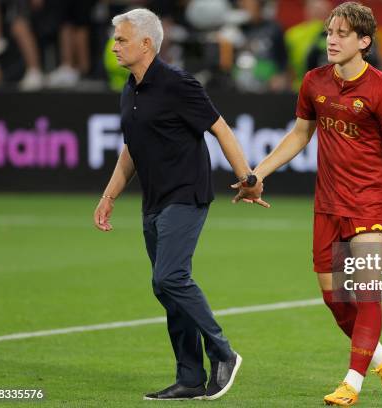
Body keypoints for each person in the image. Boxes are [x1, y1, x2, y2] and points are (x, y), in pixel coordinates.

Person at [233, 2, 382, 406]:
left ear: (364, 42)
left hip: (369, 207)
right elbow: (299, 135)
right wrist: (258, 174)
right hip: (327, 205)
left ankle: (352, 383)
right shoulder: (314, 82)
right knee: (337, 304)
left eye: (343, 33)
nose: (331, 39)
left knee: (366, 295)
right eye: (330, 31)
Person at [93, 8, 265, 401]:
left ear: (146, 44)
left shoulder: (178, 84)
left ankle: (223, 352)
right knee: (166, 289)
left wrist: (248, 179)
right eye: (116, 39)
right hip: (152, 202)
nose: (115, 45)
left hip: (186, 194)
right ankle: (189, 376)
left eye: (121, 39)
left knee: (169, 277)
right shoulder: (129, 89)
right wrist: (109, 196)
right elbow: (131, 149)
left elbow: (219, 128)